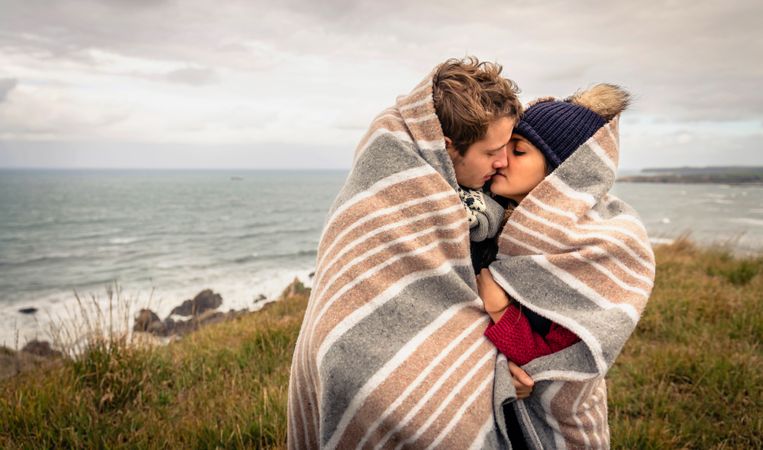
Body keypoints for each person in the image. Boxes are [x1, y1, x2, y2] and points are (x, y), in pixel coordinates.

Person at [288, 57, 531, 449]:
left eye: (507, 148)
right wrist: (492, 373)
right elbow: (363, 357)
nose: (502, 162)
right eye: (491, 152)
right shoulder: (394, 193)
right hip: (355, 370)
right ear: (448, 148)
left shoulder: (476, 202)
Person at [476, 84, 656, 448]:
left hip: (564, 419)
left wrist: (499, 308)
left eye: (519, 150)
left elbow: (558, 359)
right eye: (502, 146)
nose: (501, 159)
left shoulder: (593, 246)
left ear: (560, 173)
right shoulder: (489, 220)